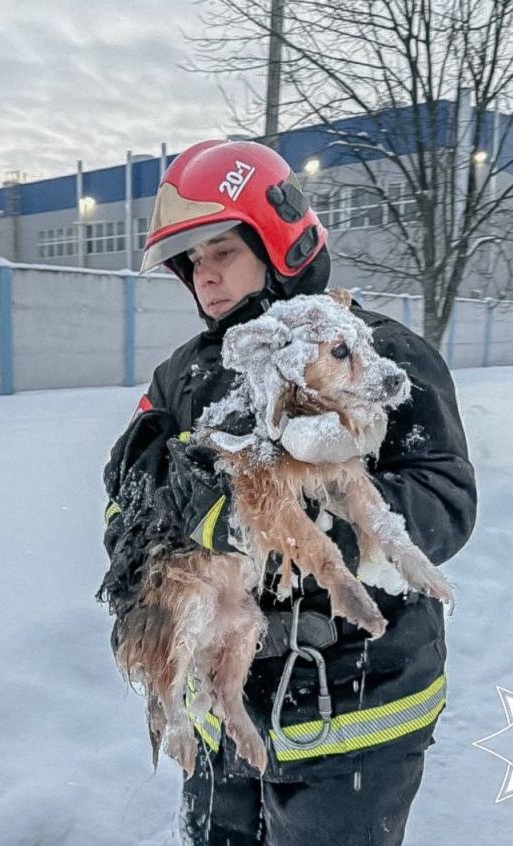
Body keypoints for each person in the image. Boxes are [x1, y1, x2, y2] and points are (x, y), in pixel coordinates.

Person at [97, 139, 477, 846]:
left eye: (222, 253)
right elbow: (125, 491)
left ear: (281, 245)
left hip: (354, 711)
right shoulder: (183, 374)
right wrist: (163, 520)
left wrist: (294, 536)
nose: (204, 279)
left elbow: (444, 497)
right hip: (225, 717)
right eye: (192, 264)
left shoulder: (376, 352)